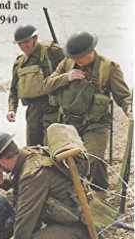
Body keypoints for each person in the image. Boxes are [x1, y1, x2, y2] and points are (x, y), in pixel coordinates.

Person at [42, 31, 132, 194]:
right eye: (74, 56)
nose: (76, 60)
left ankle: (100, 193)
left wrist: (129, 109)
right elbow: (46, 85)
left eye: (79, 57)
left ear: (90, 51)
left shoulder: (109, 68)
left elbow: (124, 96)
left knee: (94, 160)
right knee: (63, 161)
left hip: (95, 124)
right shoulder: (67, 64)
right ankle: (75, 193)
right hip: (68, 123)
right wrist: (66, 77)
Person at [7, 24, 64, 146]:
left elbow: (70, 70)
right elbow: (13, 90)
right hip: (32, 111)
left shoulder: (53, 52)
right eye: (20, 43)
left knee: (52, 146)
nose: (24, 46)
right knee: (33, 148)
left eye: (26, 42)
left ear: (35, 38)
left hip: (53, 107)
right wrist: (12, 109)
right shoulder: (19, 63)